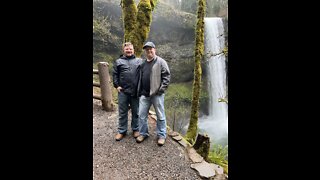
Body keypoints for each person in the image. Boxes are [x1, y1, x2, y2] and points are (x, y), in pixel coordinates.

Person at [136, 41, 171, 146]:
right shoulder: (143, 63)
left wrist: (160, 90)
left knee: (160, 115)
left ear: (154, 49)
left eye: (150, 49)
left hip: (157, 95)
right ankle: (143, 133)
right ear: (145, 51)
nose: (149, 51)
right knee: (142, 115)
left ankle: (161, 135)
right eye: (147, 49)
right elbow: (140, 78)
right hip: (144, 94)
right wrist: (140, 91)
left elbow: (166, 77)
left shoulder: (161, 62)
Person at [112, 42, 141, 141]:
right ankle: (122, 131)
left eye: (130, 49)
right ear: (123, 51)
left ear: (133, 50)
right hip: (123, 91)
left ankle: (136, 129)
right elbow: (115, 74)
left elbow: (144, 74)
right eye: (127, 49)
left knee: (136, 112)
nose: (129, 50)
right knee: (122, 112)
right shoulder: (118, 61)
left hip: (135, 92)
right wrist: (117, 85)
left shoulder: (139, 61)